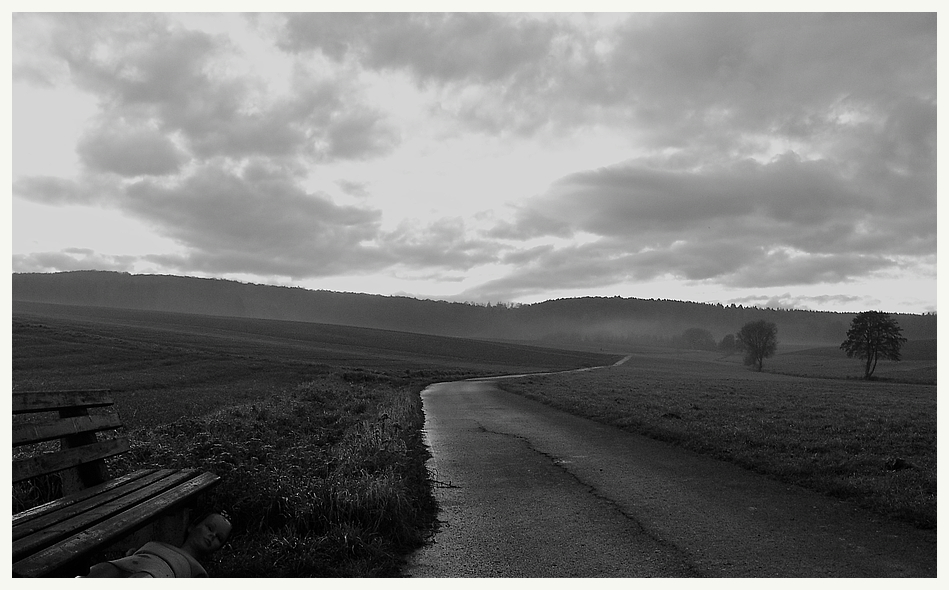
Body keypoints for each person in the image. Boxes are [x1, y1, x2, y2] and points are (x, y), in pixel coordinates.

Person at [83, 511, 233, 577]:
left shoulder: (196, 569)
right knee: (100, 572)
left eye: (219, 538)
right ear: (192, 526)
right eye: (210, 528)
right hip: (134, 561)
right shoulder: (160, 543)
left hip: (159, 573)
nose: (212, 536)